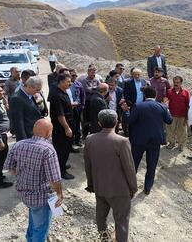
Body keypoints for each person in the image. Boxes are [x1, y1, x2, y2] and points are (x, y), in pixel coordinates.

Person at [4, 119, 63, 242]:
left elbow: (9, 168)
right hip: (41, 196)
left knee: (34, 217)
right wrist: (59, 194)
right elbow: (54, 179)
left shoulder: (19, 144)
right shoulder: (48, 150)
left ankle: (29, 238)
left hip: (24, 193)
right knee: (41, 228)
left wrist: (23, 174)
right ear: (48, 133)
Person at [84, 110, 137, 242]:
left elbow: (88, 165)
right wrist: (133, 187)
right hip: (120, 191)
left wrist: (91, 184)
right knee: (122, 221)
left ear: (99, 123)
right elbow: (129, 168)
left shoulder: (90, 139)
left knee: (101, 217)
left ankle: (104, 239)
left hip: (99, 187)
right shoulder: (122, 141)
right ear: (117, 122)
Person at [122, 86, 172, 195]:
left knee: (134, 164)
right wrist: (167, 108)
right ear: (155, 95)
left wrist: (126, 111)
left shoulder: (138, 106)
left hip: (138, 140)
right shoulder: (162, 107)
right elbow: (169, 120)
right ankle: (147, 188)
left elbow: (129, 120)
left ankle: (130, 187)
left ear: (144, 95)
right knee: (152, 165)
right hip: (155, 141)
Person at [49, 74, 75, 180]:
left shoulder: (63, 92)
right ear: (61, 82)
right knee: (62, 149)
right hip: (61, 127)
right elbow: (60, 115)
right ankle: (61, 171)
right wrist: (66, 128)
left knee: (66, 147)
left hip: (68, 123)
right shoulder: (57, 95)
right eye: (68, 81)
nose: (70, 83)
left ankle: (62, 164)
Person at [10, 76, 44, 141]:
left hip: (36, 133)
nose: (38, 92)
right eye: (37, 90)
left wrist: (39, 103)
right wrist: (23, 141)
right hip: (28, 136)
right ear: (29, 87)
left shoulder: (31, 95)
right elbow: (18, 122)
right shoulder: (17, 98)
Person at [164, 76, 190, 151]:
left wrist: (186, 117)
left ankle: (181, 145)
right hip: (171, 115)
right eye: (174, 82)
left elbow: (188, 105)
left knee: (182, 131)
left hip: (182, 116)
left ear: (181, 83)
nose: (176, 84)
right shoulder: (169, 91)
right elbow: (165, 101)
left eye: (178, 82)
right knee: (170, 130)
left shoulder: (186, 92)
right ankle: (171, 143)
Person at [122, 68, 148, 136]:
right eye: (135, 75)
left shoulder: (144, 82)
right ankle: (132, 134)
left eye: (138, 75)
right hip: (133, 105)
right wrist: (130, 104)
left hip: (142, 105)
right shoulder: (128, 82)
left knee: (142, 120)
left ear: (141, 75)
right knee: (132, 120)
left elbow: (146, 93)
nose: (137, 76)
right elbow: (126, 95)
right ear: (132, 75)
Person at [79, 64, 102, 138]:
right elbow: (87, 89)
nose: (93, 74)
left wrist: (94, 89)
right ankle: (84, 135)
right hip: (87, 103)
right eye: (92, 72)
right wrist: (96, 89)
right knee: (85, 120)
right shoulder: (84, 80)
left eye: (94, 72)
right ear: (88, 72)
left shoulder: (97, 79)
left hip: (95, 102)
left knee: (94, 118)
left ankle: (93, 134)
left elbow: (100, 88)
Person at [69, 69, 85, 147]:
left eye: (75, 75)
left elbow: (82, 96)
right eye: (72, 75)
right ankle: (71, 142)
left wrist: (82, 106)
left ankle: (77, 140)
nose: (74, 77)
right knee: (71, 125)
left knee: (77, 125)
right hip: (69, 109)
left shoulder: (78, 84)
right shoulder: (66, 85)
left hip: (77, 108)